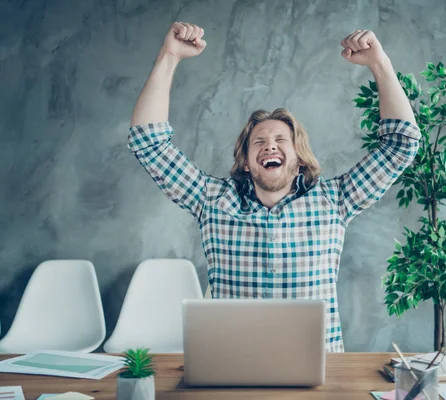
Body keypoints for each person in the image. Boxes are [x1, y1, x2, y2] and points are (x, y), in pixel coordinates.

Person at [128, 21, 421, 352]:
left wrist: (378, 63)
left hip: (318, 369)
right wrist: (169, 55)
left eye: (282, 140)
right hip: (233, 366)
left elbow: (401, 145)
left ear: (299, 159)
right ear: (246, 162)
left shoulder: (336, 200)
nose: (270, 146)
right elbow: (149, 144)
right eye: (259, 142)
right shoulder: (212, 199)